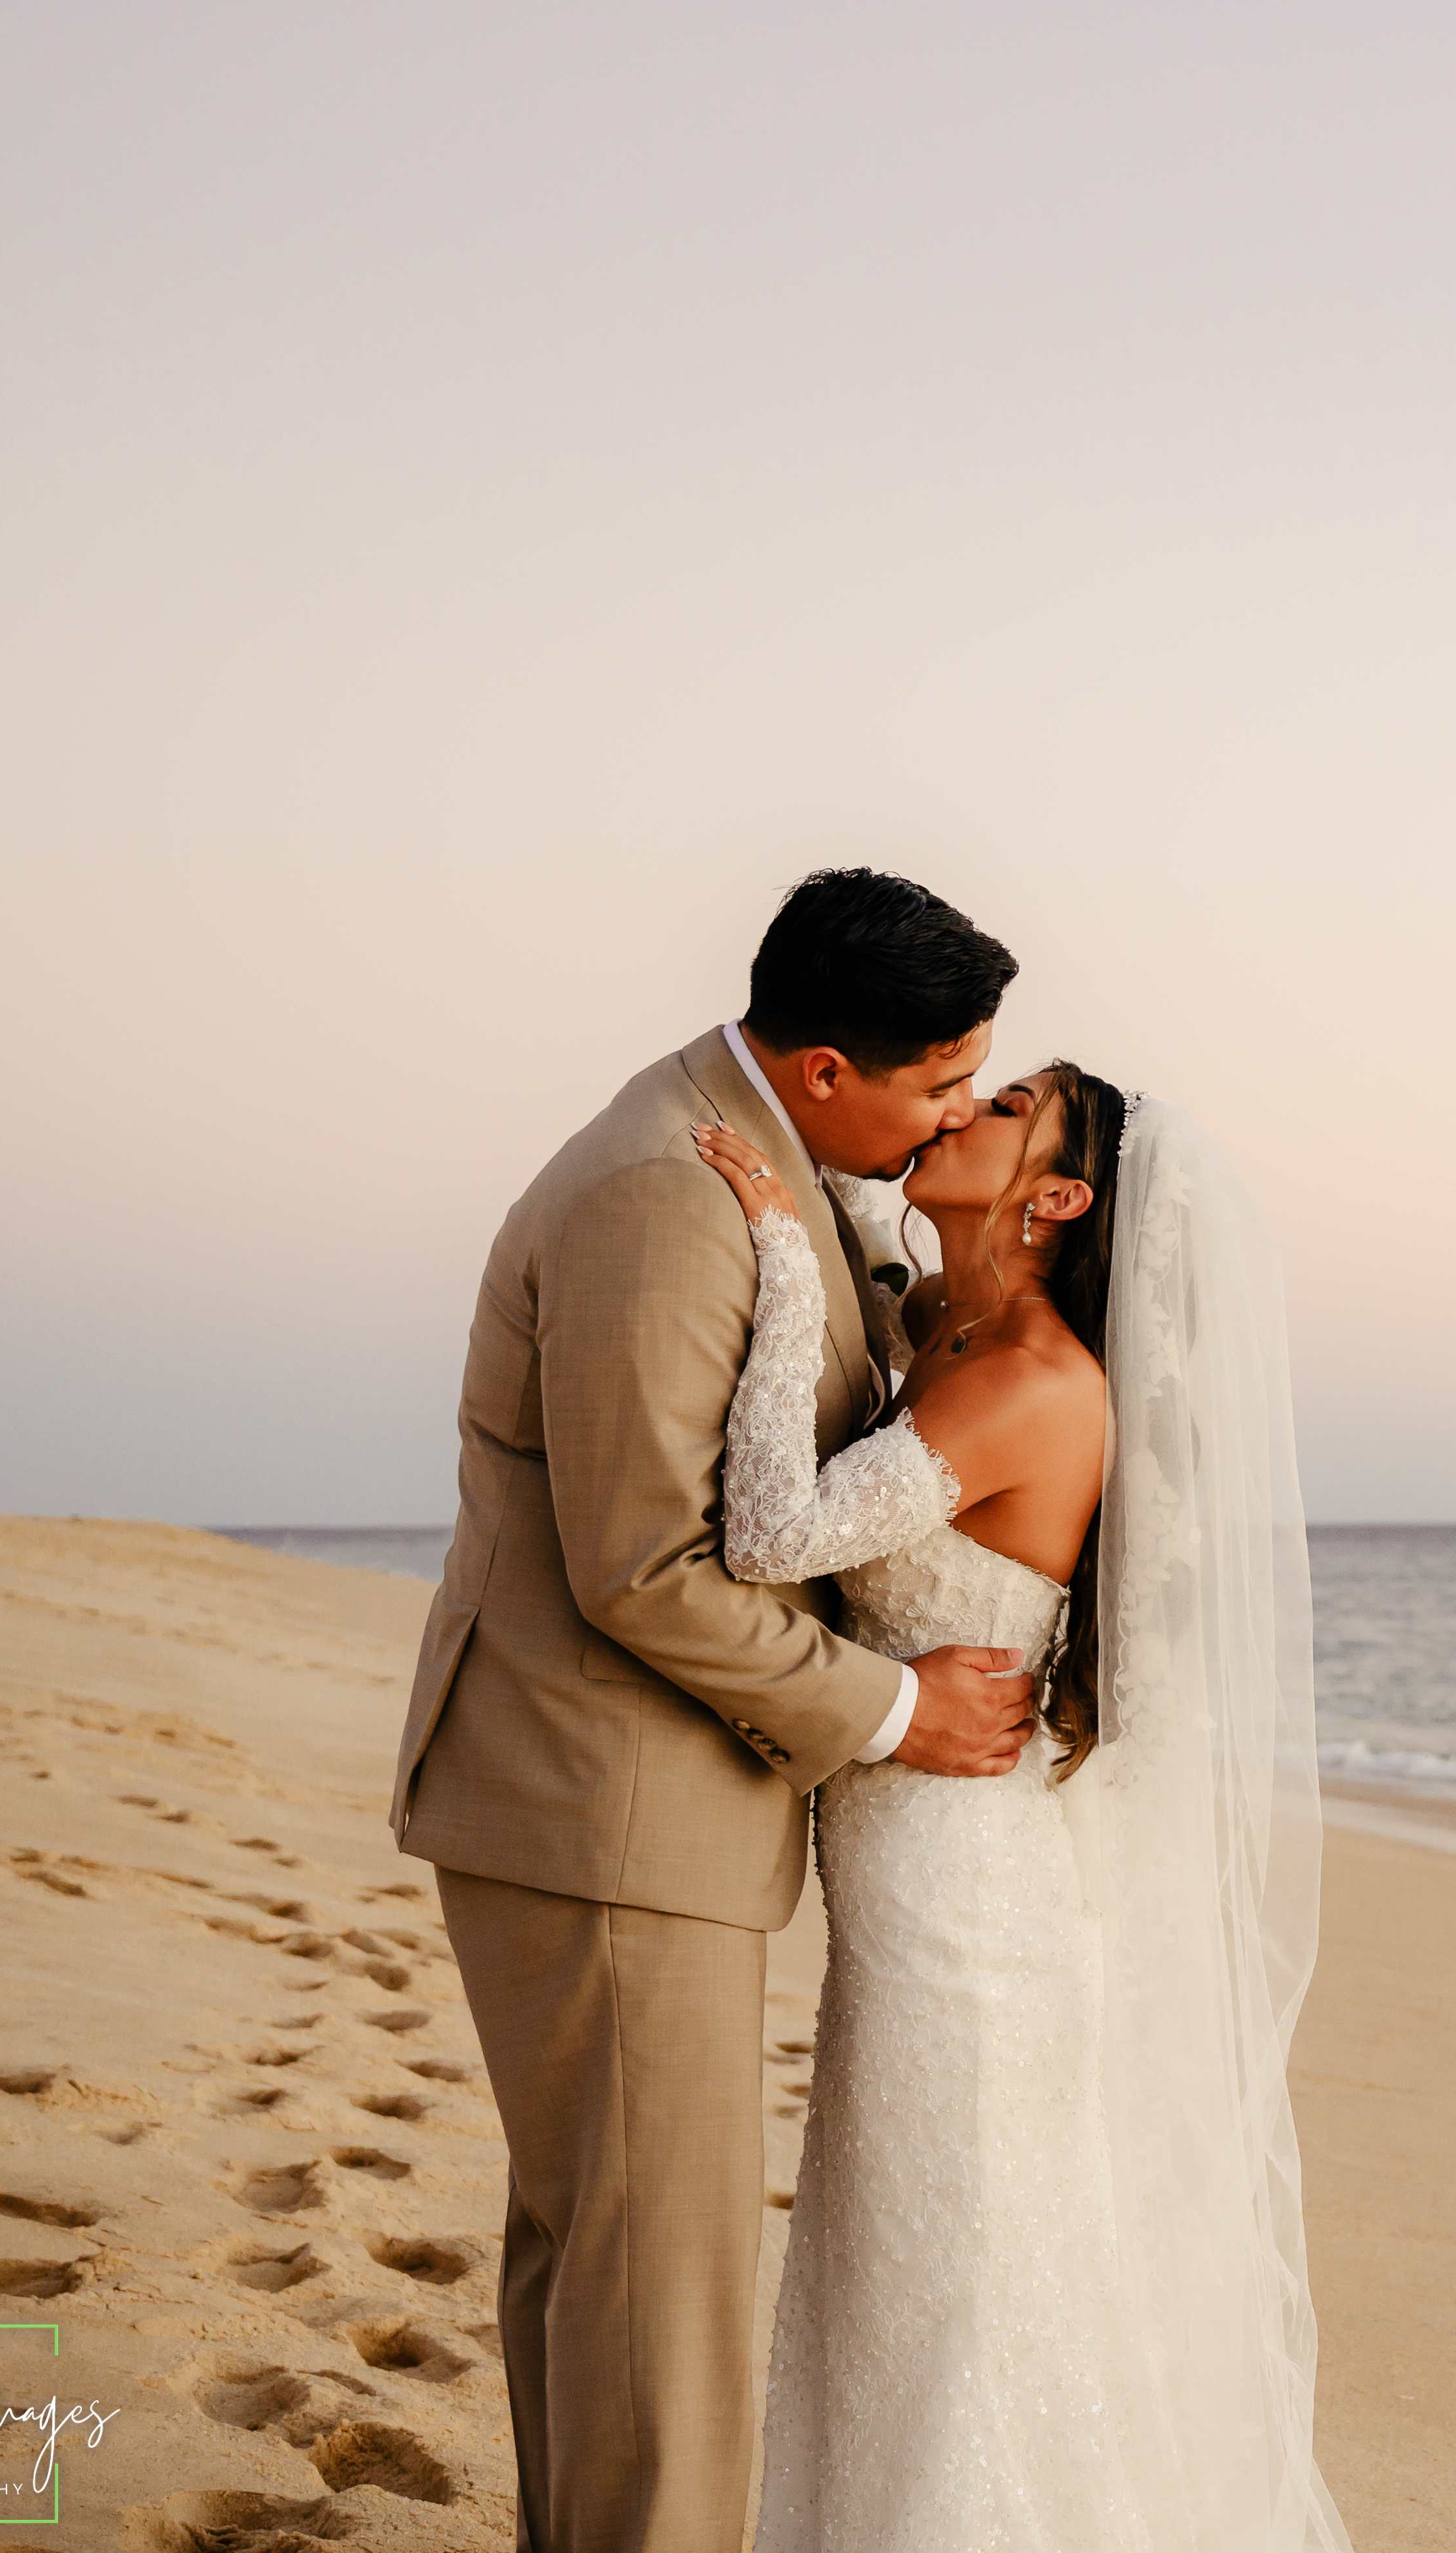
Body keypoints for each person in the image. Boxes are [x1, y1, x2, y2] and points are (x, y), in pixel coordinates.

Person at [388, 869, 1045, 2553]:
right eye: (939, 1085)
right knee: (658, 2314)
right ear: (823, 1069)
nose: (962, 1110)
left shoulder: (760, 1157)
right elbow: (644, 1570)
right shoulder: (658, 1197)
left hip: (614, 1809)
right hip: (602, 1808)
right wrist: (895, 1713)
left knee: (602, 2279)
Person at [697, 1054, 1348, 2551]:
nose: (954, 1110)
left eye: (998, 1109)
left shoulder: (1033, 1380)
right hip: (913, 1866)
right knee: (898, 2283)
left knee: (956, 2305)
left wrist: (783, 1274)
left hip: (964, 1903)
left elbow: (769, 1535)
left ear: (1056, 1195)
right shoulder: (941, 1325)